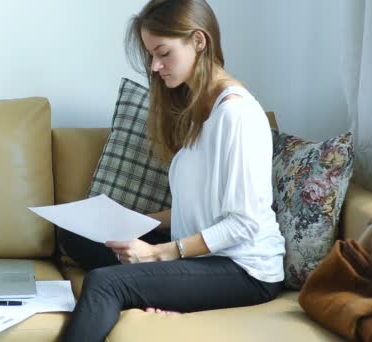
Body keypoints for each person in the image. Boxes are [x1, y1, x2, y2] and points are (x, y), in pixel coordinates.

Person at [58, 0, 286, 341]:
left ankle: (150, 286)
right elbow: (200, 206)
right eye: (151, 55)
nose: (154, 66)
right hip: (203, 252)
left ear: (198, 41)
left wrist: (158, 254)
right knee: (75, 235)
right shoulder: (200, 107)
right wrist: (137, 220)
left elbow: (244, 223)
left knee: (105, 284)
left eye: (163, 53)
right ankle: (160, 285)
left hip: (243, 269)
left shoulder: (236, 115)